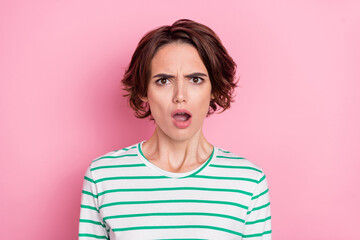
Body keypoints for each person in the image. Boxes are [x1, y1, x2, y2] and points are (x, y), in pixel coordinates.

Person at [78, 19, 272, 239]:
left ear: (214, 89)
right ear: (143, 91)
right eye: (163, 81)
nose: (180, 95)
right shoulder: (103, 177)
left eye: (196, 79)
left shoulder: (248, 181)